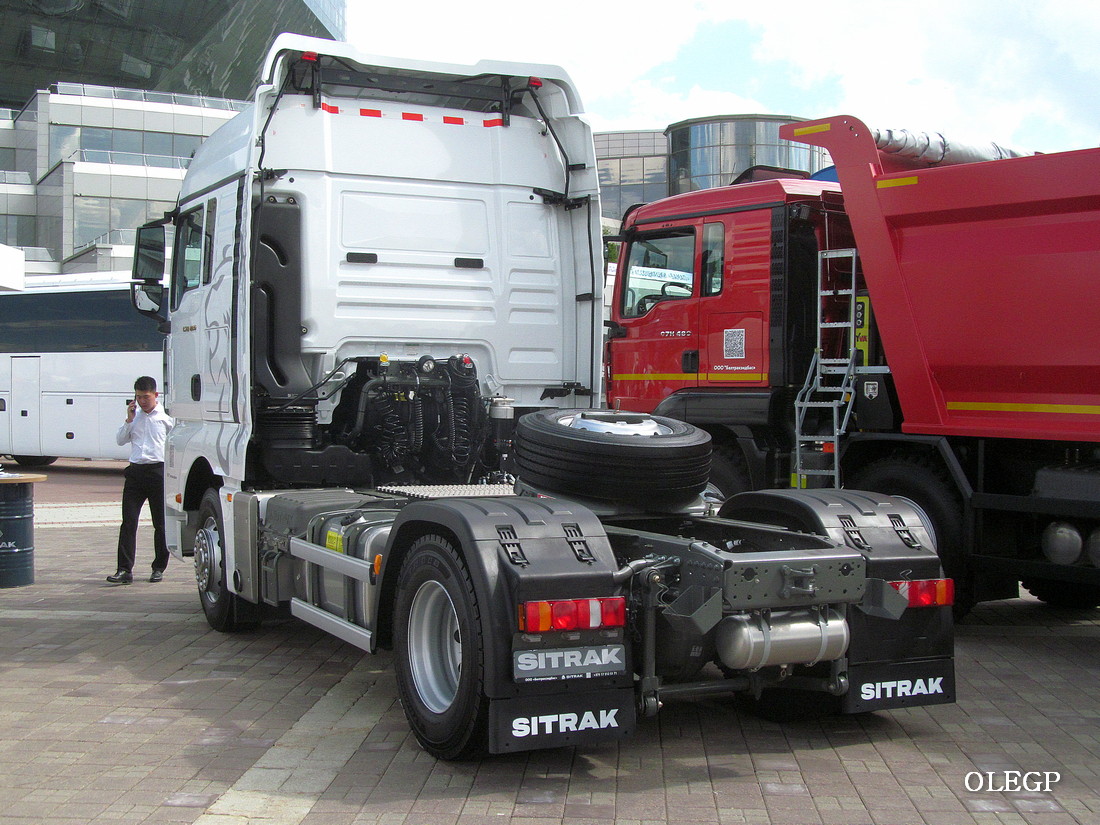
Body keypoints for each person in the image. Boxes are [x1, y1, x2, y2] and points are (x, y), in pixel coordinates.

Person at [107, 376, 174, 584]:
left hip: (157, 472)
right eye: (138, 397)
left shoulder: (166, 418)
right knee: (128, 522)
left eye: (146, 397)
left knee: (160, 524)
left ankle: (158, 567)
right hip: (135, 473)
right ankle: (124, 570)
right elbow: (119, 440)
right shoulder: (134, 416)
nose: (143, 401)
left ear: (156, 395)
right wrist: (128, 420)